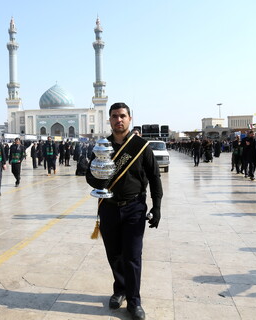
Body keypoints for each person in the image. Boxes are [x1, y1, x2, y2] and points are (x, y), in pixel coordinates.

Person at [86, 102, 162, 320]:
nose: (118, 120)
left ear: (130, 119)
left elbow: (155, 177)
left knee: (133, 255)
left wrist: (157, 206)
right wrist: (94, 179)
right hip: (108, 208)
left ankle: (134, 301)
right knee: (115, 254)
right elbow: (90, 174)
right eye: (114, 116)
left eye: (122, 116)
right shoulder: (102, 146)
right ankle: (119, 290)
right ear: (109, 120)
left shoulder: (141, 146)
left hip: (134, 208)